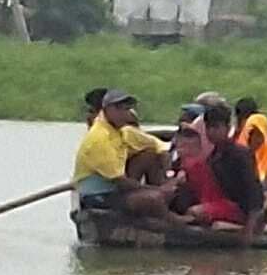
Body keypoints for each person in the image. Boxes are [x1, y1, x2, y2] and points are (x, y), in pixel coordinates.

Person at [74, 89, 188, 224]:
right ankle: (170, 219)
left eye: (127, 109)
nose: (126, 115)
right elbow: (120, 181)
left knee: (149, 154)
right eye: (121, 110)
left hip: (118, 189)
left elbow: (161, 148)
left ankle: (163, 202)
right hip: (99, 196)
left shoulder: (123, 131)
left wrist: (168, 177)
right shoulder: (99, 138)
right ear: (108, 110)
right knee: (154, 198)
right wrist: (158, 190)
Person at [201, 104, 267, 238]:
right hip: (223, 205)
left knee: (198, 212)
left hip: (241, 209)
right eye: (208, 127)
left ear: (228, 128)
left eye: (216, 127)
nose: (211, 132)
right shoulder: (212, 157)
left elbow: (253, 191)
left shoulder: (240, 154)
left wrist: (250, 228)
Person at [170, 123, 245, 226]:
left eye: (188, 147)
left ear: (198, 148)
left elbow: (177, 181)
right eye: (181, 146)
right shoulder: (190, 163)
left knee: (193, 211)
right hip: (210, 202)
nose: (182, 150)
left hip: (223, 206)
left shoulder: (194, 164)